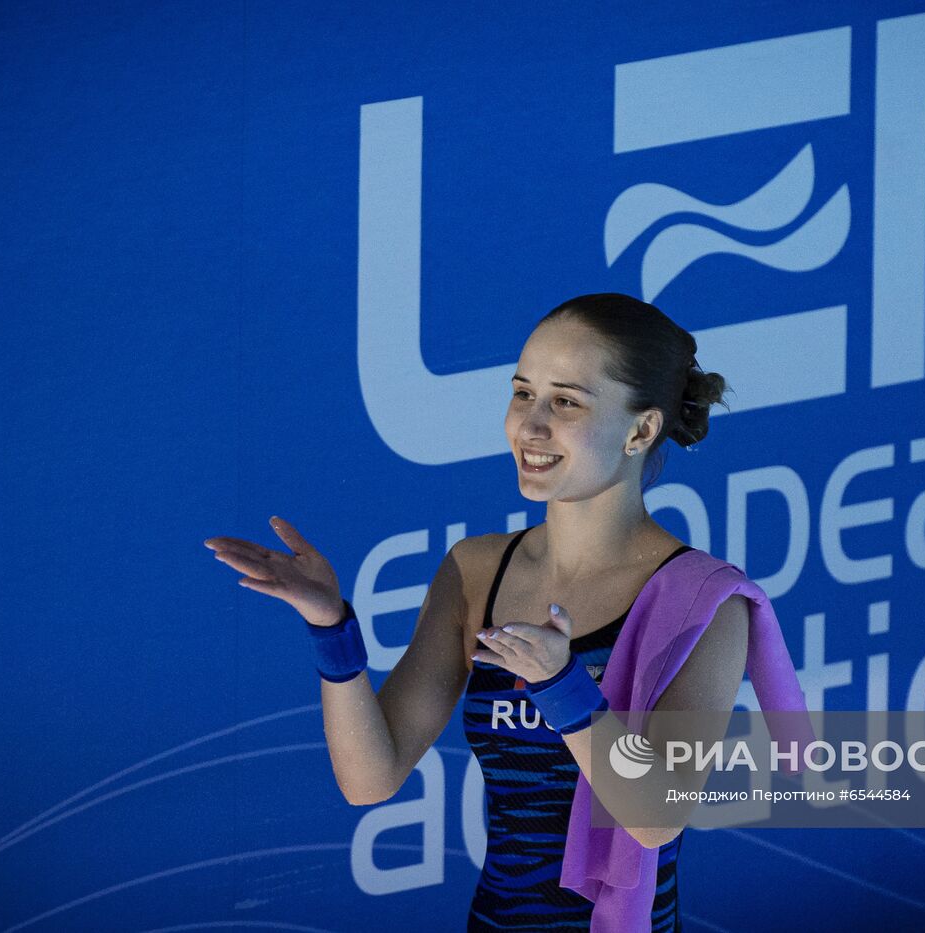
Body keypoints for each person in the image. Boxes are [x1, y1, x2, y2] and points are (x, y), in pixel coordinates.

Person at [204, 293, 810, 931]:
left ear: (641, 430)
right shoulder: (475, 571)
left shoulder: (702, 601)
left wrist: (564, 687)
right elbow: (370, 779)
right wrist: (331, 628)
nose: (531, 425)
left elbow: (656, 813)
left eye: (567, 402)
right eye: (523, 393)